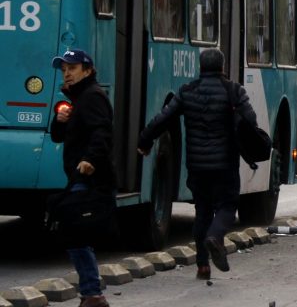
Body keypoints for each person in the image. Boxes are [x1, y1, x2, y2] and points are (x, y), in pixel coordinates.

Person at [138, 49, 260, 280]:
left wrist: (145, 140)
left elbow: (163, 118)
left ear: (200, 67)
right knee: (227, 205)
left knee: (202, 211)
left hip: (197, 165)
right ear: (222, 67)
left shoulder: (187, 91)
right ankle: (215, 237)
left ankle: (203, 266)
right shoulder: (233, 90)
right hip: (225, 164)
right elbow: (251, 120)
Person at [50, 49, 115, 307]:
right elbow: (58, 137)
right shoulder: (78, 99)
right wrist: (60, 121)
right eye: (64, 70)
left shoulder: (92, 96)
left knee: (75, 233)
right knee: (77, 235)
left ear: (87, 71)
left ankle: (93, 293)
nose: (67, 74)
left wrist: (90, 159)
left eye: (73, 69)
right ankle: (91, 293)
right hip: (78, 175)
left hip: (89, 177)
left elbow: (102, 131)